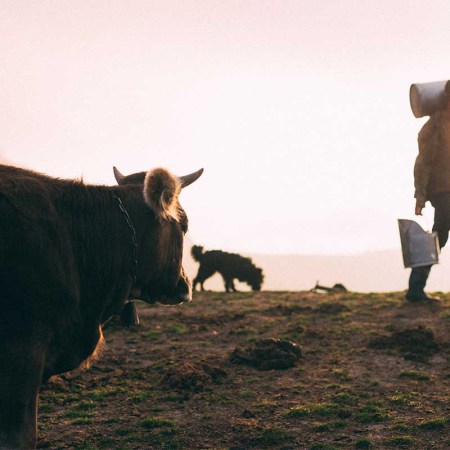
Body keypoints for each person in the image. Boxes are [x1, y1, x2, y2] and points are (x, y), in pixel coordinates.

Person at [406, 80, 450, 302]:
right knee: (438, 238)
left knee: (438, 237)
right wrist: (420, 196)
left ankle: (415, 289)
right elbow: (423, 163)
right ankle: (415, 290)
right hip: (443, 191)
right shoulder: (434, 127)